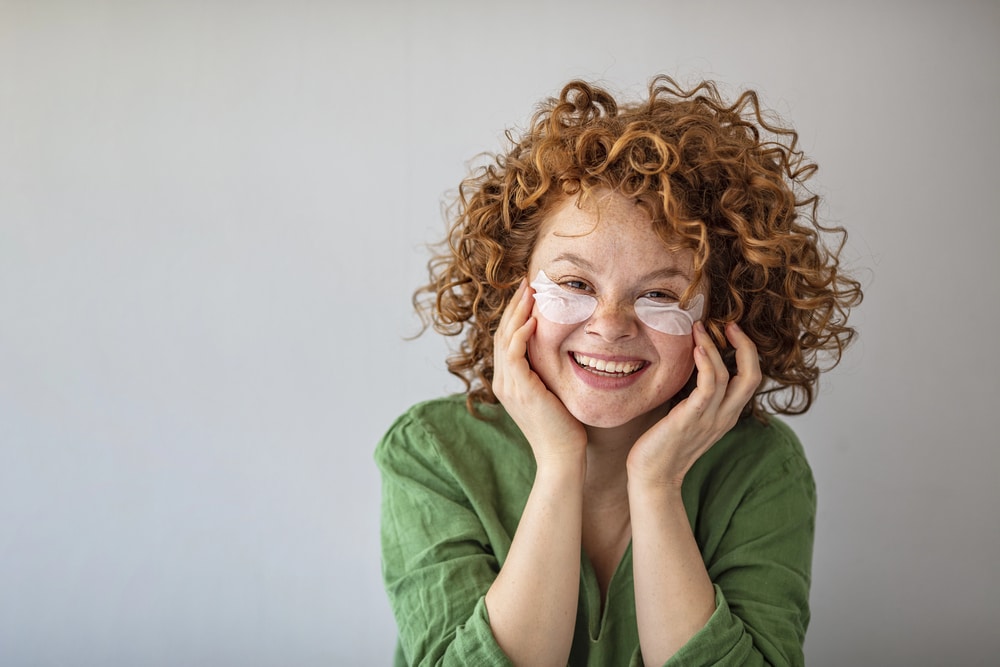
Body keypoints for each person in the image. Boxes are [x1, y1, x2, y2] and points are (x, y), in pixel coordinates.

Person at [375, 75, 862, 666]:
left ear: (723, 316)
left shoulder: (761, 468)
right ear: (511, 289)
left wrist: (656, 486)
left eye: (660, 295)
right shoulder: (432, 452)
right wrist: (559, 465)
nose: (610, 325)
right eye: (575, 284)